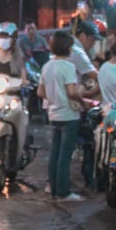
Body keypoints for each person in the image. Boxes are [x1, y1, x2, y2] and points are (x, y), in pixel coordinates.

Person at [37, 31, 87, 202]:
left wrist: (54, 98)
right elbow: (72, 92)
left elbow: (40, 92)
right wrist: (83, 101)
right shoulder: (68, 66)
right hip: (69, 115)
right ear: (68, 48)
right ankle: (64, 192)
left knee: (55, 154)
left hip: (53, 114)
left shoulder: (47, 66)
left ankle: (54, 190)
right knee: (65, 156)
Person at [70, 20, 102, 99]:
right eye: (92, 40)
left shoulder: (72, 44)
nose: (93, 43)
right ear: (83, 36)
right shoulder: (77, 52)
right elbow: (97, 76)